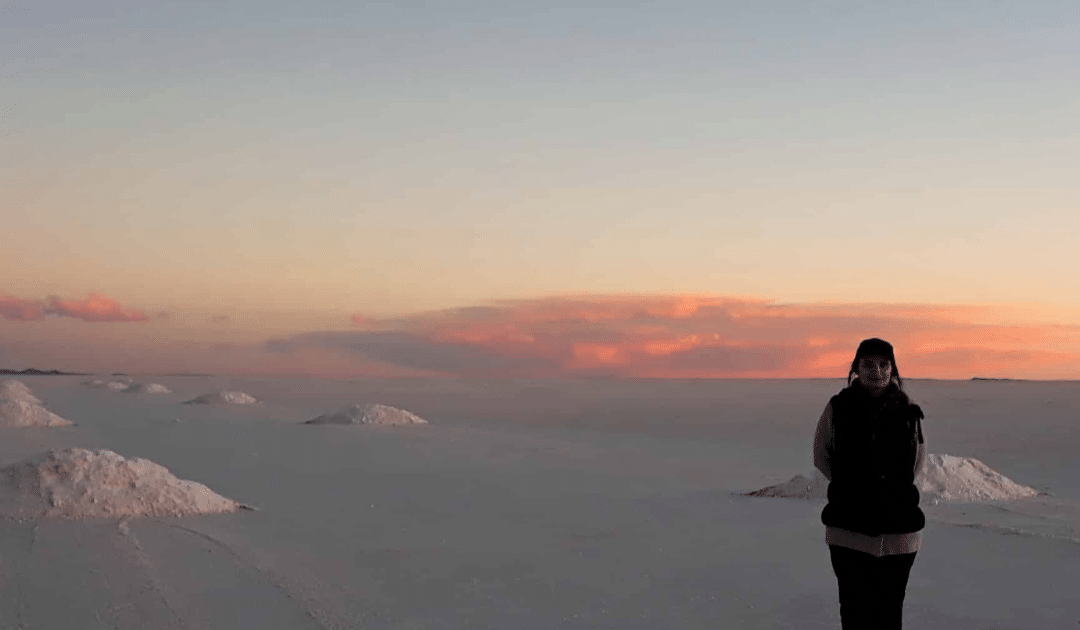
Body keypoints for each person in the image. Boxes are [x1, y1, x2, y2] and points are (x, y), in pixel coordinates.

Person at [813, 338, 927, 630]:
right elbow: (822, 456)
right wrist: (852, 487)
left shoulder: (908, 412)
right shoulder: (838, 408)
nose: (875, 370)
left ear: (893, 369)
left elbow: (917, 464)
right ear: (856, 369)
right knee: (854, 612)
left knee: (889, 614)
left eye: (883, 364)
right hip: (848, 532)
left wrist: (891, 493)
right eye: (867, 364)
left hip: (900, 535)